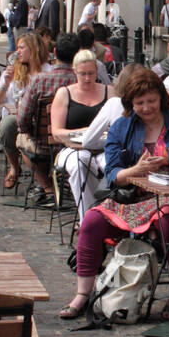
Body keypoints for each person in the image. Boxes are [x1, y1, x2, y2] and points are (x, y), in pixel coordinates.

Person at [59, 67, 169, 320]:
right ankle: (82, 294)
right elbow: (113, 174)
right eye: (140, 103)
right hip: (132, 198)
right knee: (92, 222)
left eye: (151, 101)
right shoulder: (122, 127)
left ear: (161, 98)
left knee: (168, 219)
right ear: (130, 104)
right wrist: (135, 170)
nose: (147, 107)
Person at [60, 63, 144, 222]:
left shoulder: (114, 103)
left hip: (122, 164)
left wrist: (109, 142)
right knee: (85, 164)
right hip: (142, 163)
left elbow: (88, 140)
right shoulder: (154, 106)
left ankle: (93, 216)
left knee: (96, 167)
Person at [16, 32, 79, 200]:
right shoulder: (82, 81)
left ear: (55, 52)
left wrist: (29, 132)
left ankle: (47, 187)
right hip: (75, 142)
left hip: (43, 141)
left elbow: (22, 118)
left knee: (20, 141)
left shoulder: (39, 80)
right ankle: (57, 182)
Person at [51, 49, 112, 219]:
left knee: (113, 164)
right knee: (80, 163)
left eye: (91, 73)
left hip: (103, 148)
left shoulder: (109, 92)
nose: (87, 78)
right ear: (74, 72)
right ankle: (89, 217)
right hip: (72, 149)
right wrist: (84, 133)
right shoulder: (65, 93)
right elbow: (56, 132)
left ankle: (110, 213)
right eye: (82, 74)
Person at [0, 31, 48, 187]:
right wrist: (6, 83)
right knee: (7, 125)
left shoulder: (48, 71)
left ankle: (44, 176)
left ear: (34, 49)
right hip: (17, 120)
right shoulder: (13, 71)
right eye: (17, 48)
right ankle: (15, 166)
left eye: (22, 48)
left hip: (43, 122)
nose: (18, 51)